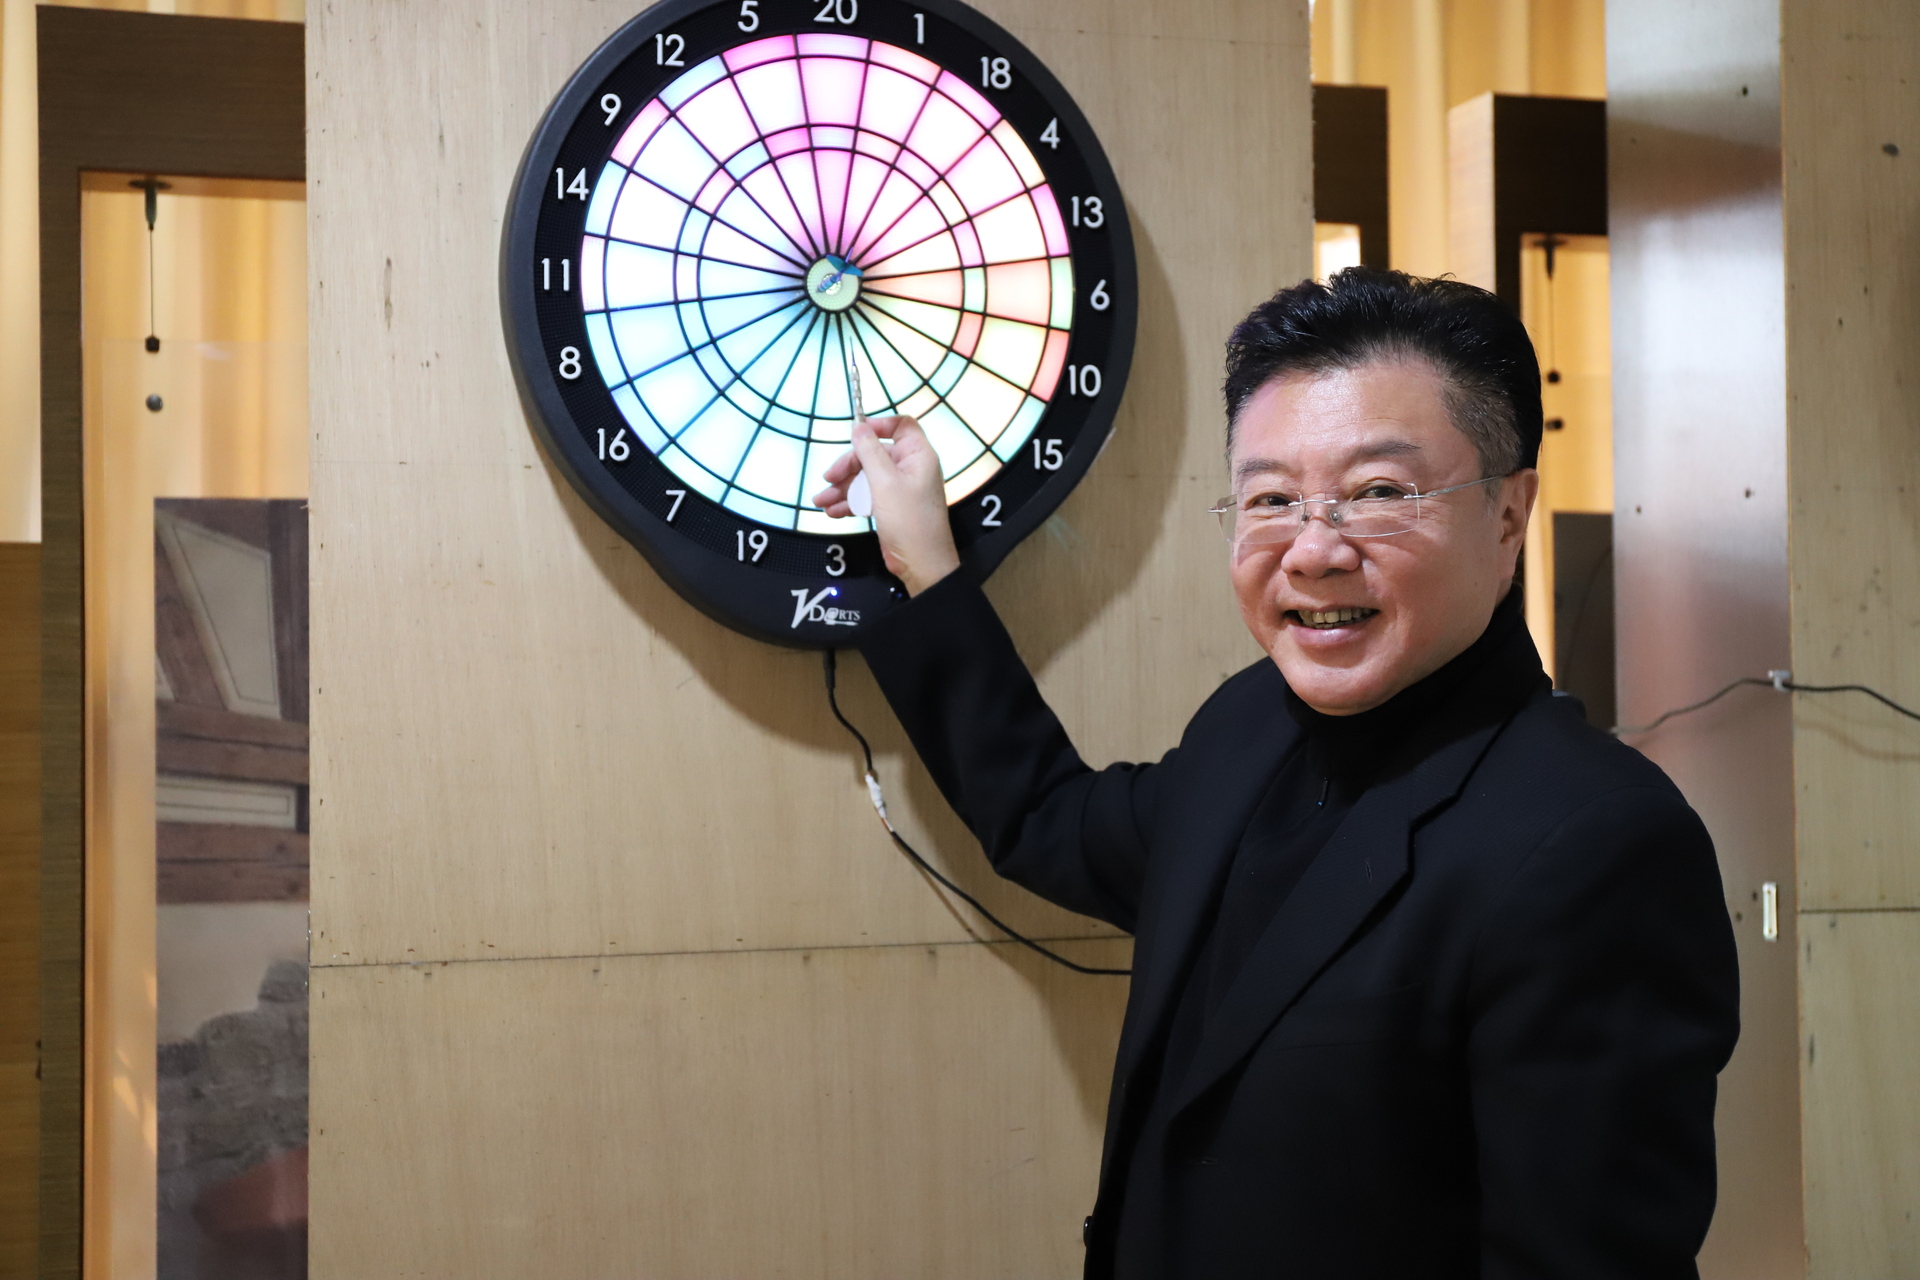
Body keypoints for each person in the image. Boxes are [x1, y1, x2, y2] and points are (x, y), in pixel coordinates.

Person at [814, 268, 1740, 1279]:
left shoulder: (1595, 841)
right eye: (1271, 500)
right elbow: (1050, 819)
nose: (1312, 550)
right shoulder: (1247, 726)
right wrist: (927, 565)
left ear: (1508, 515)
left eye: (1378, 493)